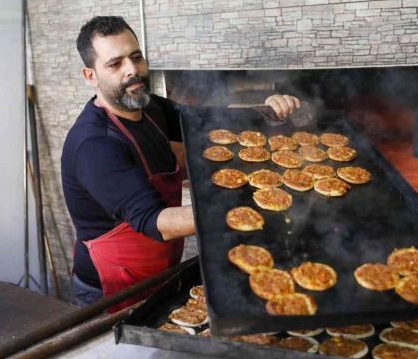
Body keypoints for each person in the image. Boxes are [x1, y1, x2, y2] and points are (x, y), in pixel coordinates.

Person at [61, 16, 301, 311]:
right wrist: (240, 211)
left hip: (159, 268)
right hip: (112, 286)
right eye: (115, 64)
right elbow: (153, 221)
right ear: (91, 76)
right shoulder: (95, 145)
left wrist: (267, 109)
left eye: (136, 57)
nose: (132, 70)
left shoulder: (148, 106)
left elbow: (206, 119)